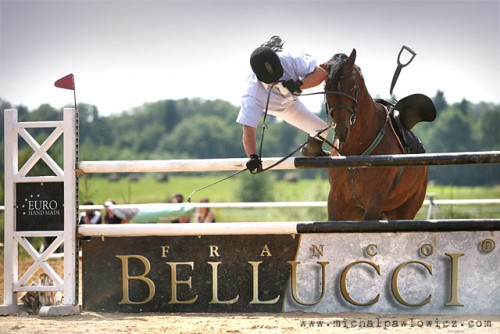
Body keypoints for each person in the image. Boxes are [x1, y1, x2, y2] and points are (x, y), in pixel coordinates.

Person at [237, 35, 330, 173]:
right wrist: (252, 156)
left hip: (293, 100)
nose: (277, 80)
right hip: (281, 109)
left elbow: (321, 74)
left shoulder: (290, 58)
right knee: (321, 129)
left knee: (322, 130)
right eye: (271, 80)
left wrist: (299, 85)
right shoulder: (251, 93)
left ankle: (311, 151)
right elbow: (248, 130)